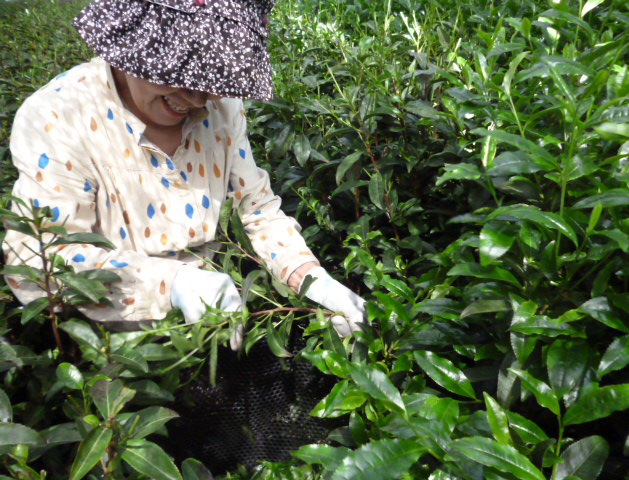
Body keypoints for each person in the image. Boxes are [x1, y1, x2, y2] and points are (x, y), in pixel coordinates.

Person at [2, 0, 365, 349]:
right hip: (115, 353)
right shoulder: (59, 115)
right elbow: (41, 258)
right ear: (135, 45)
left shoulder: (221, 109)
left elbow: (255, 210)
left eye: (211, 77)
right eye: (180, 74)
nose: (196, 98)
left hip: (220, 325)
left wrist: (310, 278)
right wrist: (172, 284)